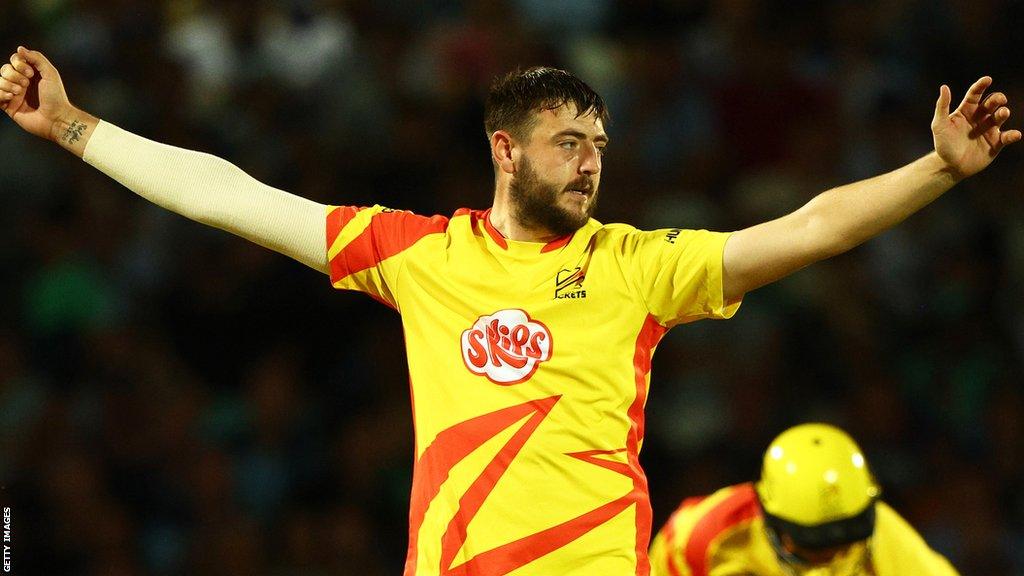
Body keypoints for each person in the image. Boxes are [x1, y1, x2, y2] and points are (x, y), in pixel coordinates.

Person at [1, 45, 1016, 575]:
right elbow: (234, 197)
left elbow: (810, 229)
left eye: (602, 146)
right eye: (571, 140)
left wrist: (934, 169)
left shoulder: (635, 266)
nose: (591, 163)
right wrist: (77, 127)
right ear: (506, 148)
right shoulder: (420, 255)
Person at [648, 423, 959, 576]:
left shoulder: (881, 533)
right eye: (818, 544)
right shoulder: (703, 537)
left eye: (848, 536)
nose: (835, 552)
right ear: (773, 519)